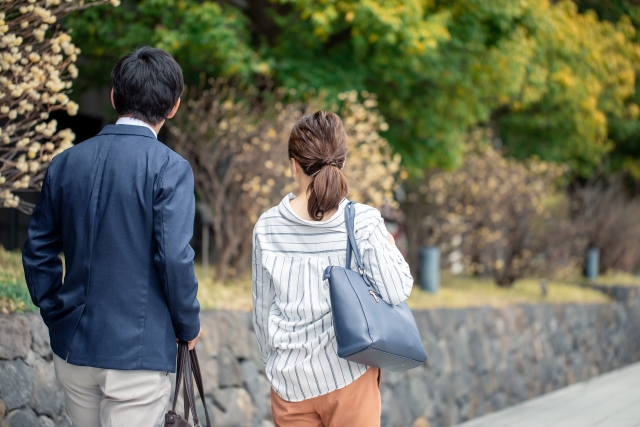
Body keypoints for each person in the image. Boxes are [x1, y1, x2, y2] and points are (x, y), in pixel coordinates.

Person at [22, 47, 202, 427]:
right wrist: (188, 325)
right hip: (135, 356)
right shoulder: (170, 168)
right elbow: (173, 258)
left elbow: (38, 249)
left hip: (73, 347)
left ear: (114, 97)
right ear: (174, 106)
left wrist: (56, 312)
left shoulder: (66, 162)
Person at [252, 110, 414, 427]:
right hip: (350, 376)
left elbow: (262, 311)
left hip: (290, 384)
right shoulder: (363, 220)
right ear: (342, 163)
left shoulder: (268, 226)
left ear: (293, 165)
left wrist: (274, 363)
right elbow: (397, 289)